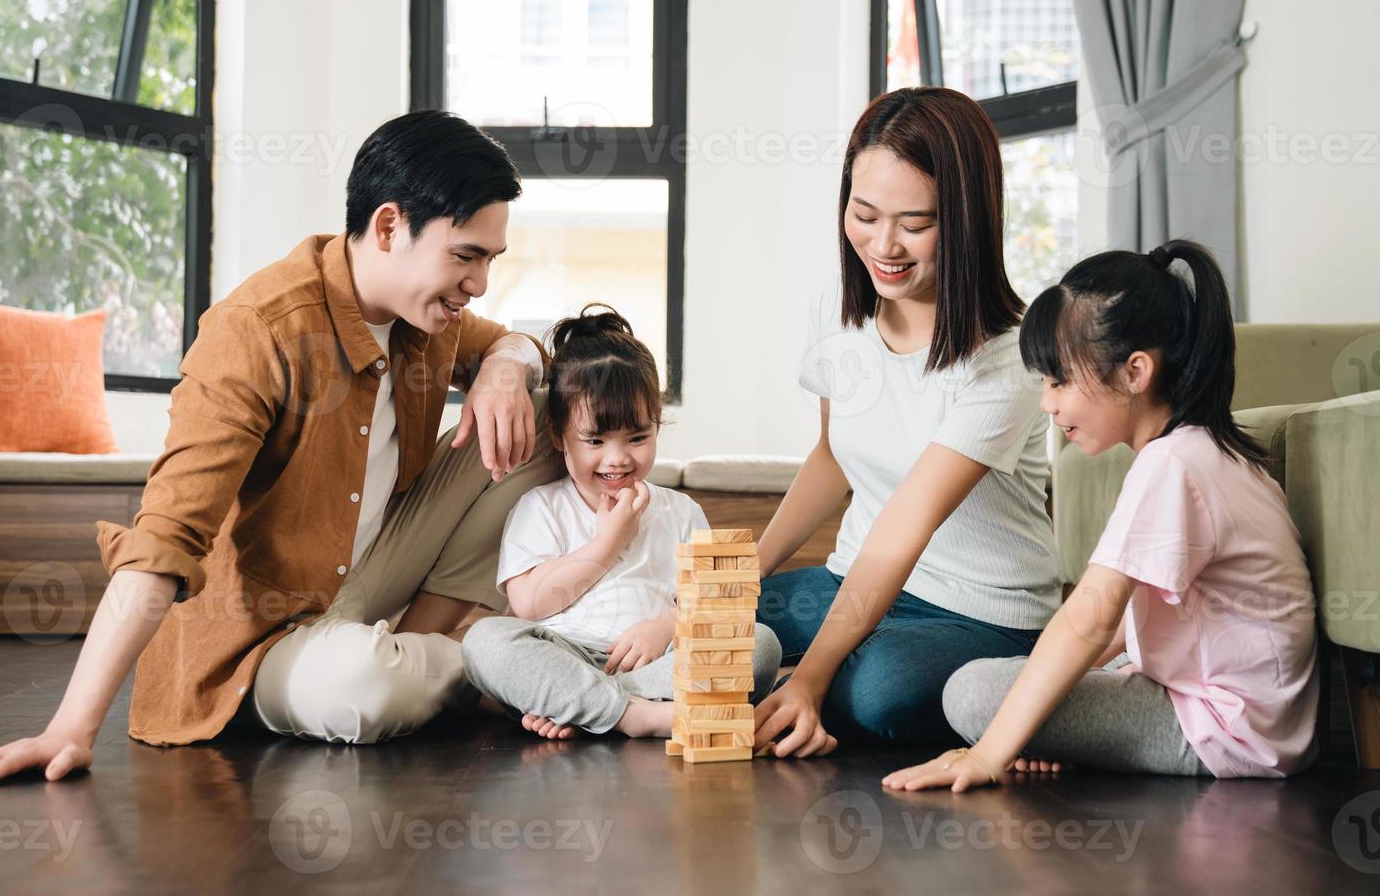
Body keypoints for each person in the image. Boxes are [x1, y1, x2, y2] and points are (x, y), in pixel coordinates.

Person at [0, 111, 566, 788]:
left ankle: (445, 652)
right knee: (362, 687)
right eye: (465, 256)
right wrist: (69, 729)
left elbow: (515, 344)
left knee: (554, 407)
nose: (480, 283)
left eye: (491, 260)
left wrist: (506, 362)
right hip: (265, 638)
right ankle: (498, 661)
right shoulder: (256, 332)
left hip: (375, 581)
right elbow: (165, 539)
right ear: (387, 226)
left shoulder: (430, 312)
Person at [885, 240, 1318, 792]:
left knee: (970, 690)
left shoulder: (1173, 466)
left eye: (1059, 379)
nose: (1048, 402)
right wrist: (1043, 719)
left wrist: (990, 754)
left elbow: (1090, 618)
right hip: (1254, 718)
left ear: (1135, 371)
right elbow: (1118, 626)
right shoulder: (1208, 452)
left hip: (1224, 730)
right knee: (1038, 683)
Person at [752, 87, 1061, 758]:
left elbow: (906, 525)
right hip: (850, 581)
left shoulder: (1010, 357)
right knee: (714, 630)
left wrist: (808, 678)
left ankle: (793, 690)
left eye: (914, 223)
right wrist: (740, 578)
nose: (883, 244)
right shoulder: (838, 307)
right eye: (863, 214)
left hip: (978, 612)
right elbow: (831, 458)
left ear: (967, 220)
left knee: (878, 693)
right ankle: (784, 684)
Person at [462, 305, 782, 740]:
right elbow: (530, 605)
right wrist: (607, 543)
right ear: (559, 436)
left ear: (656, 427)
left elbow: (716, 603)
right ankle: (637, 716)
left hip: (658, 662)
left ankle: (583, 706)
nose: (618, 459)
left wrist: (667, 626)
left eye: (637, 438)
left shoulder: (681, 511)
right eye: (595, 440)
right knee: (485, 642)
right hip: (566, 654)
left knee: (759, 643)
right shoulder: (540, 507)